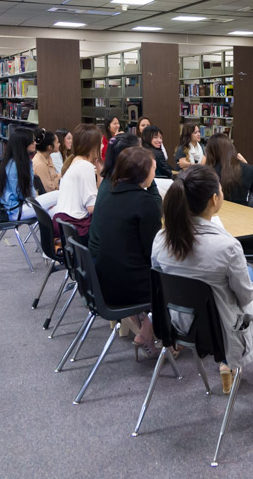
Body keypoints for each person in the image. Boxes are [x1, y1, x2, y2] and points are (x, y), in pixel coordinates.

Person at [152, 165, 253, 392]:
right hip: (221, 335)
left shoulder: (161, 239)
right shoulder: (228, 247)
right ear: (214, 199)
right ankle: (227, 365)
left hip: (179, 326)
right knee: (249, 282)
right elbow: (245, 296)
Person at [88, 146, 162, 358]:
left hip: (104, 281)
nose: (154, 174)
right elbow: (153, 253)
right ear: (142, 173)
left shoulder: (109, 192)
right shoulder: (144, 202)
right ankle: (174, 342)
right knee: (182, 278)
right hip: (129, 289)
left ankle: (146, 329)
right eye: (153, 169)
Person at [0, 128, 59, 221]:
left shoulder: (24, 162)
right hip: (15, 210)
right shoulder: (14, 165)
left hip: (24, 204)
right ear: (23, 143)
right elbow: (20, 193)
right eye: (32, 141)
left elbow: (29, 187)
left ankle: (55, 235)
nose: (35, 143)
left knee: (57, 212)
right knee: (58, 195)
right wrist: (38, 198)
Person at [53, 123, 102, 237]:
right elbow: (92, 207)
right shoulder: (85, 166)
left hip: (63, 223)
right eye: (100, 143)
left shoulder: (73, 162)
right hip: (74, 226)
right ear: (92, 146)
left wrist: (99, 171)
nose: (103, 147)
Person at [204, 133, 253, 205]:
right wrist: (246, 164)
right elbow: (250, 192)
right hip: (243, 212)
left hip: (217, 211)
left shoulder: (208, 173)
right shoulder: (250, 170)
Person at [32, 128, 60, 193]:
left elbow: (54, 176)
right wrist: (59, 177)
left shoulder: (48, 157)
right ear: (49, 147)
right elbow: (49, 189)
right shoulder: (40, 164)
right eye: (57, 142)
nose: (59, 144)